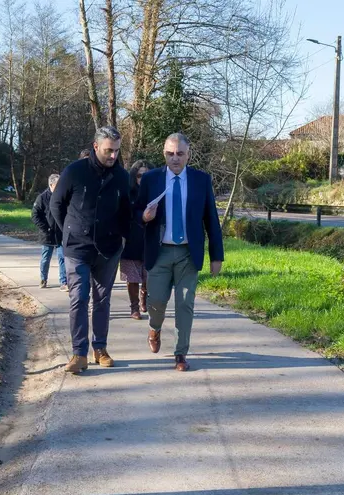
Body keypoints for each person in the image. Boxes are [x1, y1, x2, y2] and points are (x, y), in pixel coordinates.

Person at [135, 132, 223, 372]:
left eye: (180, 154)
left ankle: (180, 353)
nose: (175, 159)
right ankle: (154, 328)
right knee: (156, 303)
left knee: (185, 304)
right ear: (164, 154)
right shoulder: (151, 179)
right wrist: (144, 216)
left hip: (187, 253)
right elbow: (135, 213)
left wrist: (217, 256)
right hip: (159, 251)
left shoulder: (200, 180)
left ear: (188, 155)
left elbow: (211, 220)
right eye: (170, 154)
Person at [50, 126, 130, 374]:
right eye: (109, 151)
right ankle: (79, 353)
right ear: (96, 147)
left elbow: (126, 212)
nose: (113, 156)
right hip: (77, 248)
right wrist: (69, 232)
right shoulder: (75, 172)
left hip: (108, 249)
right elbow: (56, 204)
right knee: (79, 297)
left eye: (117, 151)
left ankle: (100, 348)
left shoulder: (122, 177)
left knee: (102, 300)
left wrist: (124, 241)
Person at [122, 160, 150, 319]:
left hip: (150, 240)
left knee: (149, 276)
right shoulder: (128, 192)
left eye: (146, 175)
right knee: (132, 277)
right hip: (132, 240)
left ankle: (143, 299)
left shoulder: (154, 192)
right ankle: (134, 307)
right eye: (140, 175)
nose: (142, 179)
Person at [32, 173, 67, 291]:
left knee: (62, 257)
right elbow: (35, 215)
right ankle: (43, 279)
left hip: (61, 234)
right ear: (51, 185)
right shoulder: (42, 198)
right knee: (46, 258)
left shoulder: (64, 197)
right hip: (47, 235)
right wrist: (45, 228)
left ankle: (64, 282)